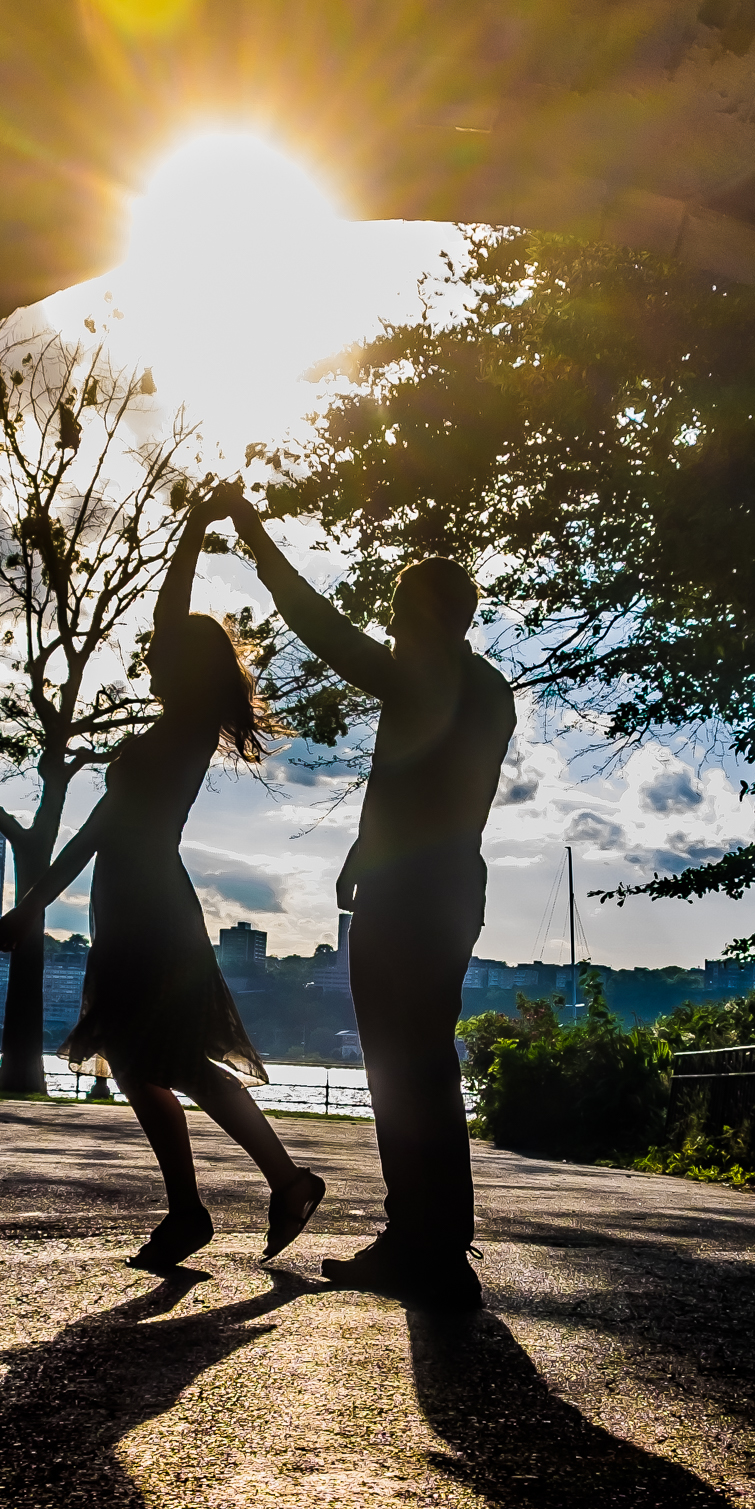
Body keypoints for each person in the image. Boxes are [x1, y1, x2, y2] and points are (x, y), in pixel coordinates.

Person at [0, 493, 325, 1272]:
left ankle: (259, 1190)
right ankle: (220, 1203)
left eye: (158, 651)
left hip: (149, 920)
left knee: (168, 1063)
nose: (146, 656)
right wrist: (194, 530)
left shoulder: (182, 728)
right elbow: (104, 829)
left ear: (182, 661)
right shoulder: (175, 726)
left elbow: (101, 830)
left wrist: (32, 904)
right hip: (136, 915)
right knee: (150, 1066)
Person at [217, 491, 515, 1308]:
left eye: (395, 614)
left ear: (421, 618)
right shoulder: (488, 689)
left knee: (396, 1063)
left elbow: (321, 626)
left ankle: (418, 1240)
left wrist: (252, 533)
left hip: (410, 897)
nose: (386, 629)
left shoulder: (424, 669)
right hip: (454, 885)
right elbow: (431, 785)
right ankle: (436, 1236)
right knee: (426, 1062)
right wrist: (364, 843)